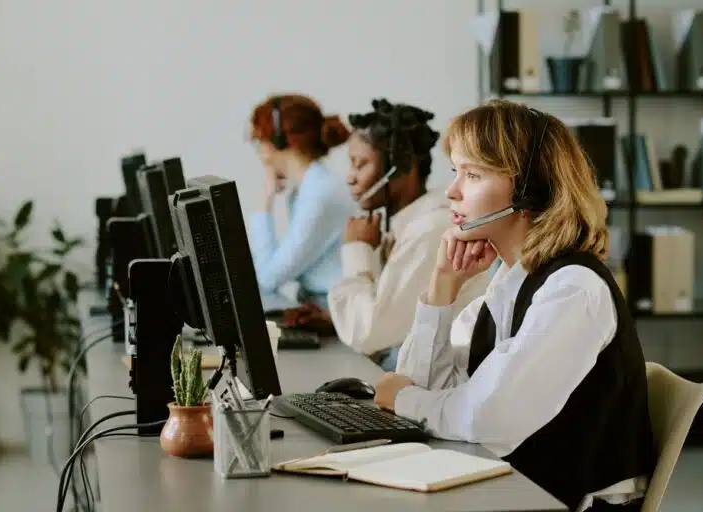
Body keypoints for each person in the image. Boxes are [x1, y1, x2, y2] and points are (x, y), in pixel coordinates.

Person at [373, 99, 656, 511]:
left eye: (472, 174)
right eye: (457, 172)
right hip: (524, 490)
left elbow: (488, 419)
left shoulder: (572, 289)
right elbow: (431, 386)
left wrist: (403, 400)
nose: (452, 191)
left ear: (529, 188)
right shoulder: (509, 284)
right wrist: (442, 286)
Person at [289, 99, 488, 369]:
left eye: (361, 165)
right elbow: (391, 318)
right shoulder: (403, 225)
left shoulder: (431, 230)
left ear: (401, 168)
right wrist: (335, 318)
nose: (350, 178)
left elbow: (368, 335)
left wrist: (357, 251)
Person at [248, 94, 355, 306]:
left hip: (337, 314)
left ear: (277, 143)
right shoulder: (308, 189)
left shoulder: (320, 195)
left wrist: (265, 199)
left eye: (259, 142)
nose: (260, 155)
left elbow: (269, 277)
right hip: (320, 304)